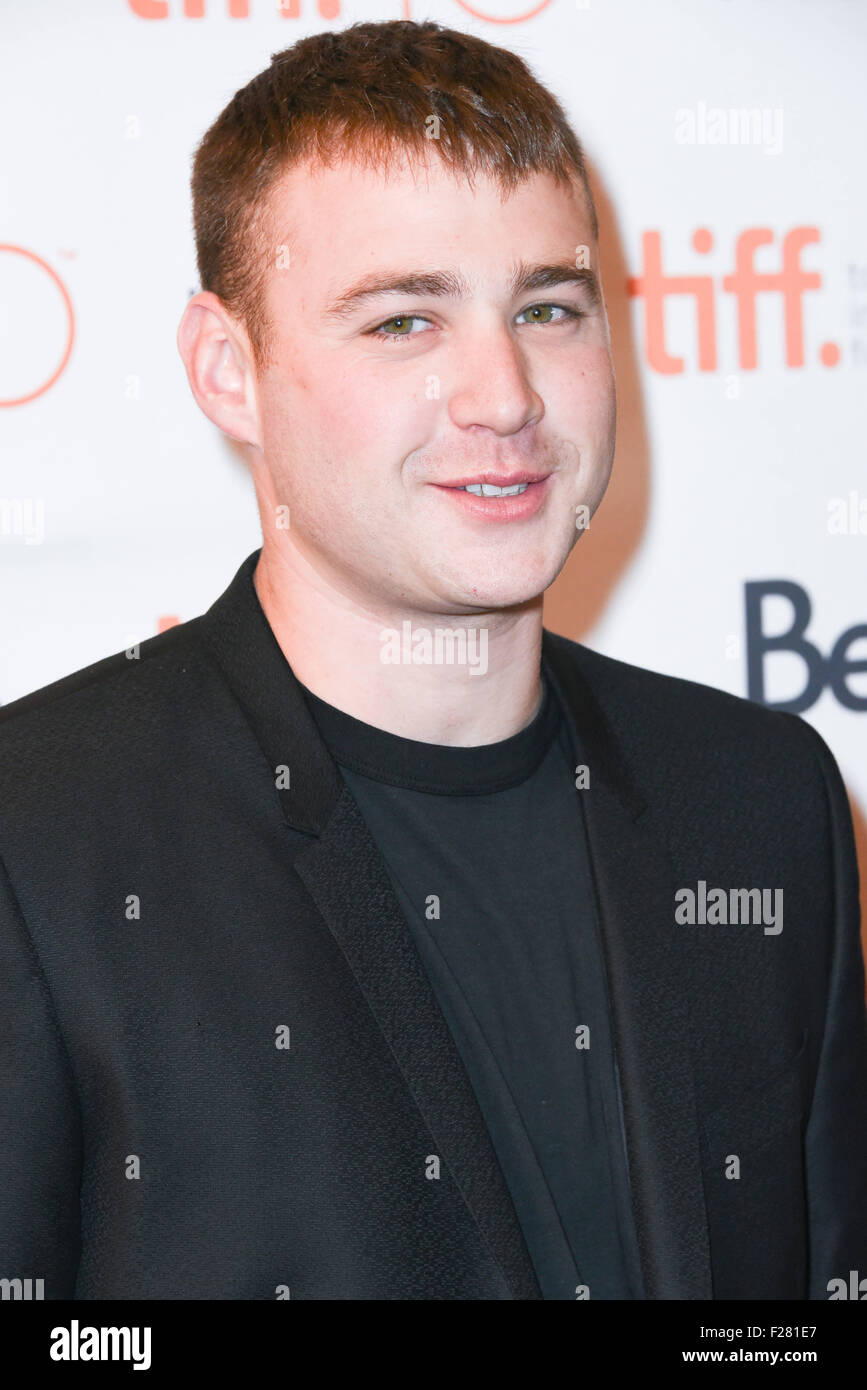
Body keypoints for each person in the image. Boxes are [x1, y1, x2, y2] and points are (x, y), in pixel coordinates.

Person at [1, 19, 864, 1301]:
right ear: (229, 371)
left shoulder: (761, 798)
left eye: (549, 307)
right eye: (406, 321)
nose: (505, 395)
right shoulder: (40, 830)